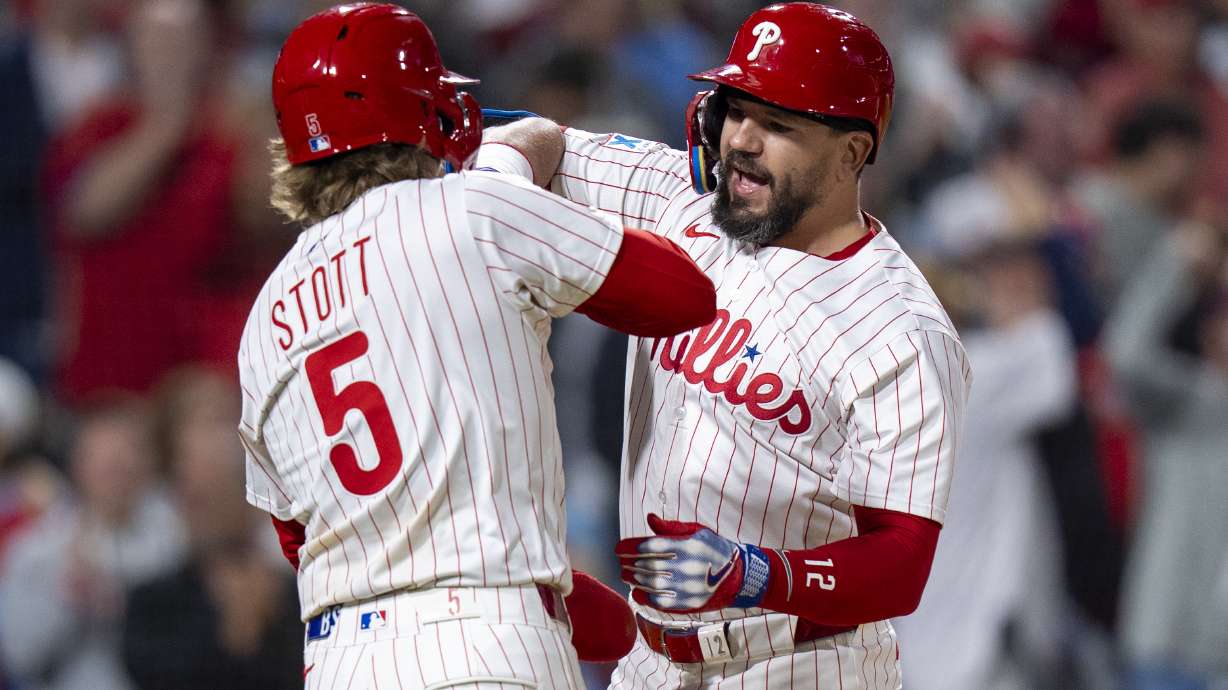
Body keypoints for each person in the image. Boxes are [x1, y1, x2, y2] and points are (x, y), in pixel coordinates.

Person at [478, 3, 971, 688]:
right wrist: (501, 180)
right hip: (647, 664)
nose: (741, 139)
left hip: (797, 666)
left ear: (852, 152)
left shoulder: (900, 330)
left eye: (777, 124)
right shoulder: (682, 199)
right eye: (736, 110)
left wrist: (752, 573)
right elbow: (542, 139)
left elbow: (902, 562)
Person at [237, 4, 715, 689]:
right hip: (488, 651)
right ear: (421, 111)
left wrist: (608, 621)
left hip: (343, 659)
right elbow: (682, 295)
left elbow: (303, 541)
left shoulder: (264, 318)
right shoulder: (472, 208)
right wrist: (512, 166)